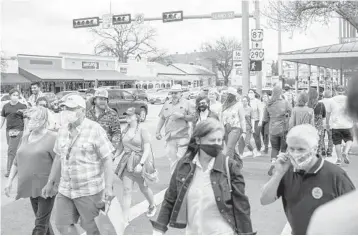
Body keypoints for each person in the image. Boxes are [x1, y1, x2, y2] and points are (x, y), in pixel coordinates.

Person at [151, 118, 254, 235]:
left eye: (220, 140)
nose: (217, 144)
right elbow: (170, 198)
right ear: (198, 140)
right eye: (212, 140)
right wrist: (158, 230)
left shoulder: (230, 166)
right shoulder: (184, 165)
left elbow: (242, 206)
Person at [260, 124, 355, 235]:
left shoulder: (335, 175)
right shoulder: (286, 171)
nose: (295, 154)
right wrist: (278, 173)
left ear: (314, 149)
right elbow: (264, 200)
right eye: (291, 148)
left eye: (301, 149)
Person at [41, 94, 115, 235]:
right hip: (65, 189)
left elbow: (107, 159)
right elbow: (58, 157)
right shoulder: (63, 130)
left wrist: (109, 187)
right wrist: (50, 182)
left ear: (82, 110)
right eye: (65, 108)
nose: (67, 112)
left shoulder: (95, 129)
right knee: (62, 225)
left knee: (93, 229)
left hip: (89, 190)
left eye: (71, 108)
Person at [307, 77, 358, 235]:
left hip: (335, 124)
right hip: (344, 125)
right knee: (345, 140)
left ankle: (339, 156)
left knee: (335, 142)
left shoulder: (329, 218)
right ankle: (345, 150)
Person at [4, 106, 57, 234]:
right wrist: (9, 181)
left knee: (39, 225)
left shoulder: (53, 137)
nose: (30, 121)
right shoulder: (26, 137)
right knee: (42, 221)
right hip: (30, 186)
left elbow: (60, 163)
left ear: (43, 120)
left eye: (34, 118)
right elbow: (17, 161)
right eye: (29, 118)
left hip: (46, 187)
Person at [115, 107, 157, 226]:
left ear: (137, 117)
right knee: (127, 190)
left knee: (143, 188)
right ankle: (125, 218)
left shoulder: (143, 129)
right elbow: (121, 148)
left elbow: (147, 149)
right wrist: (114, 156)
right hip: (127, 162)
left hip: (139, 162)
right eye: (126, 115)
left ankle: (152, 205)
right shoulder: (125, 130)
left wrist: (141, 164)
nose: (127, 116)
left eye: (130, 115)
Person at [156, 84, 196, 174]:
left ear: (181, 93)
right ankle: (173, 182)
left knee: (182, 159)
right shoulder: (167, 103)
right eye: (172, 93)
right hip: (170, 136)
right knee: (172, 160)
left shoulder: (187, 103)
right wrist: (157, 131)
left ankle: (182, 179)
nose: (174, 95)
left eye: (176, 93)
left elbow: (194, 117)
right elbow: (162, 118)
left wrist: (182, 116)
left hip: (183, 136)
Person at [263, 86, 291, 176]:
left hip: (272, 130)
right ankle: (280, 168)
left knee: (275, 148)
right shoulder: (285, 103)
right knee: (283, 149)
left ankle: (273, 163)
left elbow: (265, 119)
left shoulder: (268, 104)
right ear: (280, 93)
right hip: (283, 129)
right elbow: (291, 113)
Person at [0, 88, 27, 177]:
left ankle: (9, 171)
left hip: (18, 130)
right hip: (8, 131)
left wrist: (27, 131)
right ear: (10, 95)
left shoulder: (22, 106)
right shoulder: (5, 106)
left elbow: (25, 119)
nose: (15, 97)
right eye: (13, 95)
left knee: (11, 151)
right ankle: (19, 168)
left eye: (17, 95)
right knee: (15, 150)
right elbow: (2, 119)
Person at [86, 89, 122, 154]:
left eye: (105, 99)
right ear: (94, 100)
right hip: (90, 152)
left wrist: (112, 150)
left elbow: (117, 133)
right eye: (100, 99)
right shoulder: (88, 114)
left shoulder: (112, 114)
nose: (103, 101)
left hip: (106, 152)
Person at [326, 85, 354, 165]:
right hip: (347, 124)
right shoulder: (349, 100)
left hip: (336, 125)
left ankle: (338, 159)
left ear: (335, 91)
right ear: (344, 91)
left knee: (337, 143)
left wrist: (327, 124)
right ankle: (345, 151)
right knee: (349, 139)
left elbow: (328, 114)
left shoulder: (331, 100)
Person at [222, 87, 246, 168]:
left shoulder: (239, 105)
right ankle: (238, 163)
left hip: (235, 128)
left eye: (229, 94)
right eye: (227, 94)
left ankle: (228, 167)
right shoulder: (224, 104)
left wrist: (244, 131)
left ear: (233, 95)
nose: (227, 96)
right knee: (231, 148)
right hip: (225, 128)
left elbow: (242, 119)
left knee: (229, 148)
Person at [307, 88, 327, 157]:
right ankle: (318, 158)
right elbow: (324, 116)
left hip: (309, 128)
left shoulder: (306, 106)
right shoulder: (321, 105)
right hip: (319, 128)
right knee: (319, 145)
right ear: (317, 96)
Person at [318, 90, 333, 157]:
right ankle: (329, 151)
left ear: (323, 95)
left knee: (321, 137)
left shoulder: (319, 102)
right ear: (330, 95)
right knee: (330, 137)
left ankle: (323, 149)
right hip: (331, 122)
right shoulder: (333, 102)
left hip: (321, 122)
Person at [248, 89, 263, 154]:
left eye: (251, 92)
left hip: (256, 120)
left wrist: (260, 120)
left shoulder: (257, 101)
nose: (250, 93)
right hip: (247, 121)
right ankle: (252, 149)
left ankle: (258, 148)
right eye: (249, 92)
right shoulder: (246, 101)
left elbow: (261, 111)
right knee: (245, 137)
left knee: (256, 135)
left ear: (254, 93)